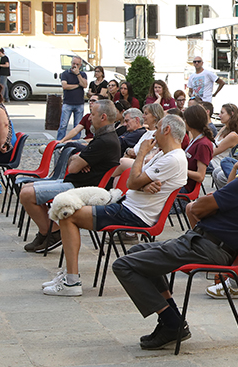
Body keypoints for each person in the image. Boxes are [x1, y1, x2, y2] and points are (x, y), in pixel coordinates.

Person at [111, 133, 238, 349]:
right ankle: (172, 319)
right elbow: (206, 208)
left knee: (123, 265)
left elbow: (198, 208)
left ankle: (172, 322)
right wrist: (212, 206)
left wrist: (210, 204)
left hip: (207, 247)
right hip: (210, 244)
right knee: (139, 252)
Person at [43, 114, 191, 297]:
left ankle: (71, 281)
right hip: (126, 205)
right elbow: (135, 180)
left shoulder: (174, 158)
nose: (153, 134)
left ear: (166, 130)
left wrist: (142, 156)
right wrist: (142, 183)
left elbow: (131, 182)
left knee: (68, 215)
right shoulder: (165, 154)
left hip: (133, 214)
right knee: (68, 206)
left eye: (157, 128)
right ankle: (68, 275)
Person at [21, 100, 122, 252]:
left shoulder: (105, 141)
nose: (89, 118)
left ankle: (52, 233)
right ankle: (48, 231)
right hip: (76, 183)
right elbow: (74, 161)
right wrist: (78, 158)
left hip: (82, 188)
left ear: (103, 117)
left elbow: (73, 168)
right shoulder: (104, 136)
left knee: (26, 194)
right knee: (28, 187)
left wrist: (78, 159)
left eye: (92, 114)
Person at [209, 103, 238, 188]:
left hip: (216, 162)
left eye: (222, 113)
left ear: (231, 114)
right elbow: (213, 143)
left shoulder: (233, 135)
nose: (219, 115)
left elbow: (214, 152)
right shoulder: (224, 128)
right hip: (211, 159)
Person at [180, 104, 214, 195]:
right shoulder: (195, 139)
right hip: (181, 182)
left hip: (185, 188)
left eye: (185, 119)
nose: (184, 121)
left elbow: (200, 176)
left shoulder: (203, 145)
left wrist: (179, 170)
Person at [57, 56, 87, 141]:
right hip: (68, 103)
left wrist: (78, 74)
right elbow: (65, 86)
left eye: (77, 64)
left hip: (79, 103)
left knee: (77, 125)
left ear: (80, 65)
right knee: (63, 124)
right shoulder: (65, 74)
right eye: (73, 63)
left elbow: (84, 85)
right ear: (71, 63)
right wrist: (77, 85)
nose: (75, 66)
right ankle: (60, 141)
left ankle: (75, 142)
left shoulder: (82, 74)